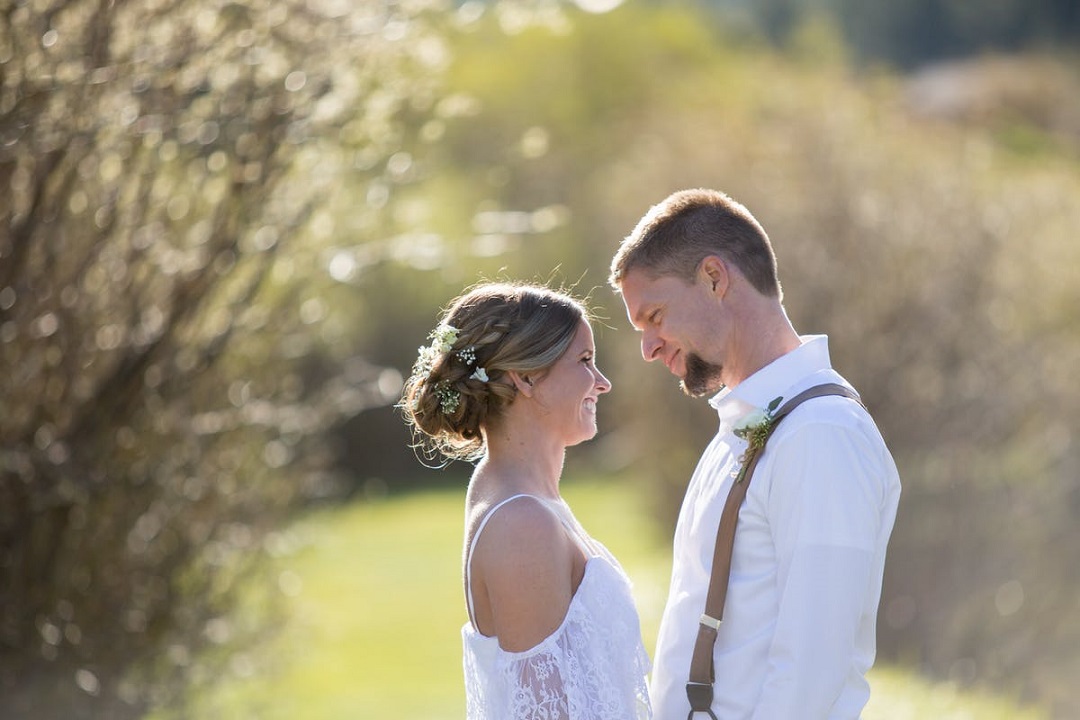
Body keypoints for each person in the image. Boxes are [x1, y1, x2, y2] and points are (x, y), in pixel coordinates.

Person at [609, 189, 901, 720]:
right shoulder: (741, 427)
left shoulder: (822, 434)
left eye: (655, 316)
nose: (648, 348)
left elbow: (811, 668)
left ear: (715, 279)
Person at [399, 281, 652, 720]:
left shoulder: (525, 496)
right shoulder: (521, 522)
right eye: (585, 361)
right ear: (528, 377)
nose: (602, 382)